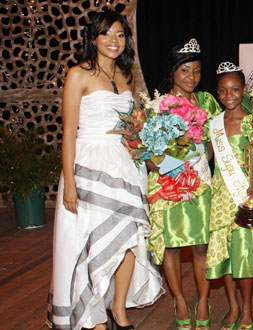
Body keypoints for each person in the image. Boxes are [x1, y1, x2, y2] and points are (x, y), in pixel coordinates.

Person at [47, 11, 163, 330]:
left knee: (129, 238)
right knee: (94, 241)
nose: (113, 41)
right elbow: (69, 132)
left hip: (125, 163)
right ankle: (93, 317)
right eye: (106, 34)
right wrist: (69, 184)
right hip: (89, 164)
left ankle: (118, 307)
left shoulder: (127, 76)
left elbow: (133, 125)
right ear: (93, 39)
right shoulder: (78, 75)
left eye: (119, 35)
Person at [146, 39, 220, 330]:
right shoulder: (158, 106)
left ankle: (203, 299)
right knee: (172, 247)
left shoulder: (207, 101)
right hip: (167, 183)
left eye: (197, 71)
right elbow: (149, 155)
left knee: (202, 244)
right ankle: (178, 298)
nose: (192, 77)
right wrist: (174, 168)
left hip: (200, 182)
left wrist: (201, 165)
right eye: (185, 70)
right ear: (173, 71)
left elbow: (215, 141)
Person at [205, 62, 253, 330]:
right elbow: (205, 158)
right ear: (218, 93)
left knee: (244, 253)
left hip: (247, 194)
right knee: (225, 252)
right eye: (223, 91)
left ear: (244, 90)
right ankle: (233, 306)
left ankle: (248, 309)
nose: (229, 95)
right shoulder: (213, 124)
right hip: (220, 196)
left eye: (235, 89)